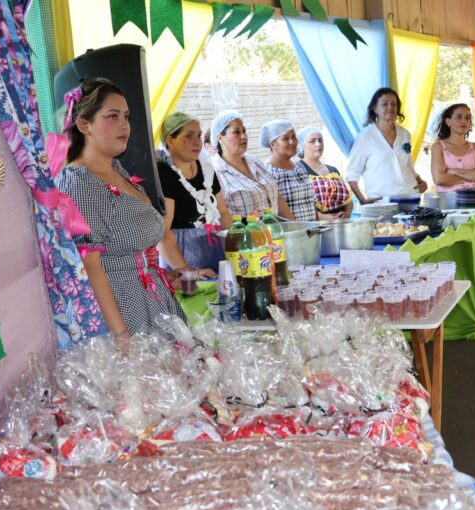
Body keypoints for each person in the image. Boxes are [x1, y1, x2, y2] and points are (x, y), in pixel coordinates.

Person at [55, 78, 187, 343]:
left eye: (126, 116)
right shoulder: (78, 182)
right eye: (112, 116)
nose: (124, 124)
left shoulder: (116, 171)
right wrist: (122, 338)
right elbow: (90, 267)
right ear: (84, 125)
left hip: (155, 303)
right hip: (125, 314)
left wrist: (154, 269)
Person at [157, 111, 230, 276]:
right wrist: (188, 273)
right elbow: (163, 233)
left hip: (213, 250)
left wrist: (237, 248)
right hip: (180, 258)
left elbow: (223, 213)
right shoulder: (164, 174)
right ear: (170, 140)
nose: (197, 142)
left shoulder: (207, 171)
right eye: (189, 136)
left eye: (198, 135)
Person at [346, 87, 428, 204]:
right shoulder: (365, 137)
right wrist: (363, 200)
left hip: (410, 198)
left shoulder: (405, 134)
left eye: (394, 104)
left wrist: (420, 181)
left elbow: (407, 164)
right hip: (381, 204)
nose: (390, 107)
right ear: (375, 108)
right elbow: (351, 174)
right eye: (385, 104)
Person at [210, 110, 295, 220]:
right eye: (236, 132)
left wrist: (295, 226)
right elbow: (222, 216)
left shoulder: (254, 161)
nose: (243, 136)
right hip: (247, 236)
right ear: (220, 138)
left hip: (274, 233)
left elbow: (276, 197)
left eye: (244, 131)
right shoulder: (216, 173)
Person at [262, 119, 317, 222]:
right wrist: (299, 230)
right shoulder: (267, 172)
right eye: (285, 138)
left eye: (294, 137)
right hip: (290, 234)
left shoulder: (299, 167)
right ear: (272, 144)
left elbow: (312, 202)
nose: (292, 142)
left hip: (312, 231)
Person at [430, 103, 475, 191]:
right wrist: (473, 176)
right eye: (459, 117)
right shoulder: (438, 147)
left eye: (467, 118)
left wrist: (454, 171)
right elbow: (439, 179)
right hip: (448, 202)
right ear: (448, 122)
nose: (464, 121)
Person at [297, 126, 353, 218]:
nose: (318, 144)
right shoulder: (298, 171)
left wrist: (346, 214)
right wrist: (323, 217)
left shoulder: (333, 170)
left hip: (340, 225)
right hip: (317, 228)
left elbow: (348, 199)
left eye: (320, 140)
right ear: (302, 146)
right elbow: (301, 204)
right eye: (312, 141)